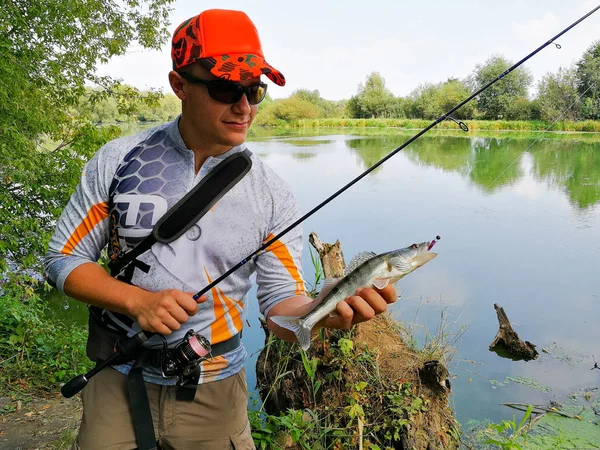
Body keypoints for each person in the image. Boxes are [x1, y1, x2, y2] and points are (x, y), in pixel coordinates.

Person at [44, 8, 397, 450]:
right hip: (117, 378)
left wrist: (322, 310)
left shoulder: (271, 192)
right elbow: (62, 259)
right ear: (180, 86)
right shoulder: (119, 161)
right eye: (225, 88)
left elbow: (279, 307)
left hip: (215, 393)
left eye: (254, 91)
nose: (244, 107)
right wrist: (137, 301)